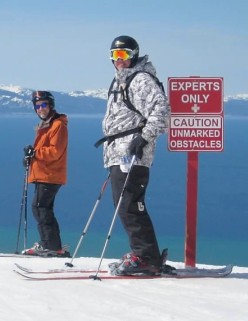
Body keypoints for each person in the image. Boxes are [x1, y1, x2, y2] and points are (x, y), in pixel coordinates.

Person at [101, 35, 170, 275]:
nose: (119, 60)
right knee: (128, 203)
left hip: (133, 152)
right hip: (120, 153)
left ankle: (146, 257)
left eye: (123, 55)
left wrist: (144, 137)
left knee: (129, 203)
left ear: (134, 54)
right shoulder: (123, 80)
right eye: (114, 56)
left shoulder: (140, 80)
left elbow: (162, 110)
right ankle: (146, 254)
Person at [22, 91, 70, 257]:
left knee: (40, 208)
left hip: (50, 174)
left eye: (44, 105)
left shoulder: (57, 125)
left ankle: (49, 245)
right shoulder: (47, 125)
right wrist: (31, 158)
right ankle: (53, 245)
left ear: (51, 105)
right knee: (43, 208)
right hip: (45, 173)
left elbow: (55, 151)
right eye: (37, 106)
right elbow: (44, 151)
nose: (41, 109)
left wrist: (35, 153)